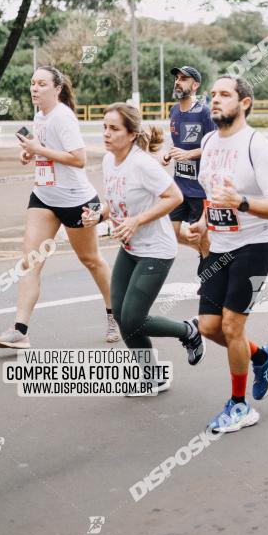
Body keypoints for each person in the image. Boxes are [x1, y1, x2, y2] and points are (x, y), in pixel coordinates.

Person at [0, 66, 120, 350]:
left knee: (91, 260)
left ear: (57, 89)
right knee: (30, 262)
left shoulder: (64, 117)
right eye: (32, 83)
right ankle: (20, 330)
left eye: (41, 84)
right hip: (45, 197)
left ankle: (115, 315)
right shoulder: (40, 115)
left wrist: (39, 151)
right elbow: (47, 152)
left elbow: (79, 159)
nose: (34, 88)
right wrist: (31, 154)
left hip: (76, 201)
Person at [186, 75, 268, 433]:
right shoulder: (210, 141)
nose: (215, 100)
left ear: (244, 103)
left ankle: (240, 406)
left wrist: (241, 202)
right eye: (213, 94)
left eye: (224, 94)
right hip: (220, 244)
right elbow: (210, 195)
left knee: (231, 325)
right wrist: (202, 223)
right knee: (210, 326)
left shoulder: (257, 145)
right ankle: (262, 356)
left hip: (255, 243)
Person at [84, 103, 205, 392]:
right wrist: (99, 215)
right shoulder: (108, 161)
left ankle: (189, 331)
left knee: (135, 318)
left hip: (156, 250)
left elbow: (173, 197)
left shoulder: (142, 164)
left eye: (114, 128)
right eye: (104, 127)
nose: (106, 133)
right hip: (130, 248)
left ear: (131, 134)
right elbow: (116, 202)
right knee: (123, 317)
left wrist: (137, 221)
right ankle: (153, 376)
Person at [165, 66, 215, 268]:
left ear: (195, 85)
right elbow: (179, 143)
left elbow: (213, 146)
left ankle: (210, 269)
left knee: (201, 235)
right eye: (177, 78)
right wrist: (169, 153)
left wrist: (188, 154)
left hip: (199, 189)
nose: (178, 81)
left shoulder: (204, 112)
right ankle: (205, 254)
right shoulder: (174, 110)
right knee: (171, 232)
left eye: (184, 79)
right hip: (179, 187)